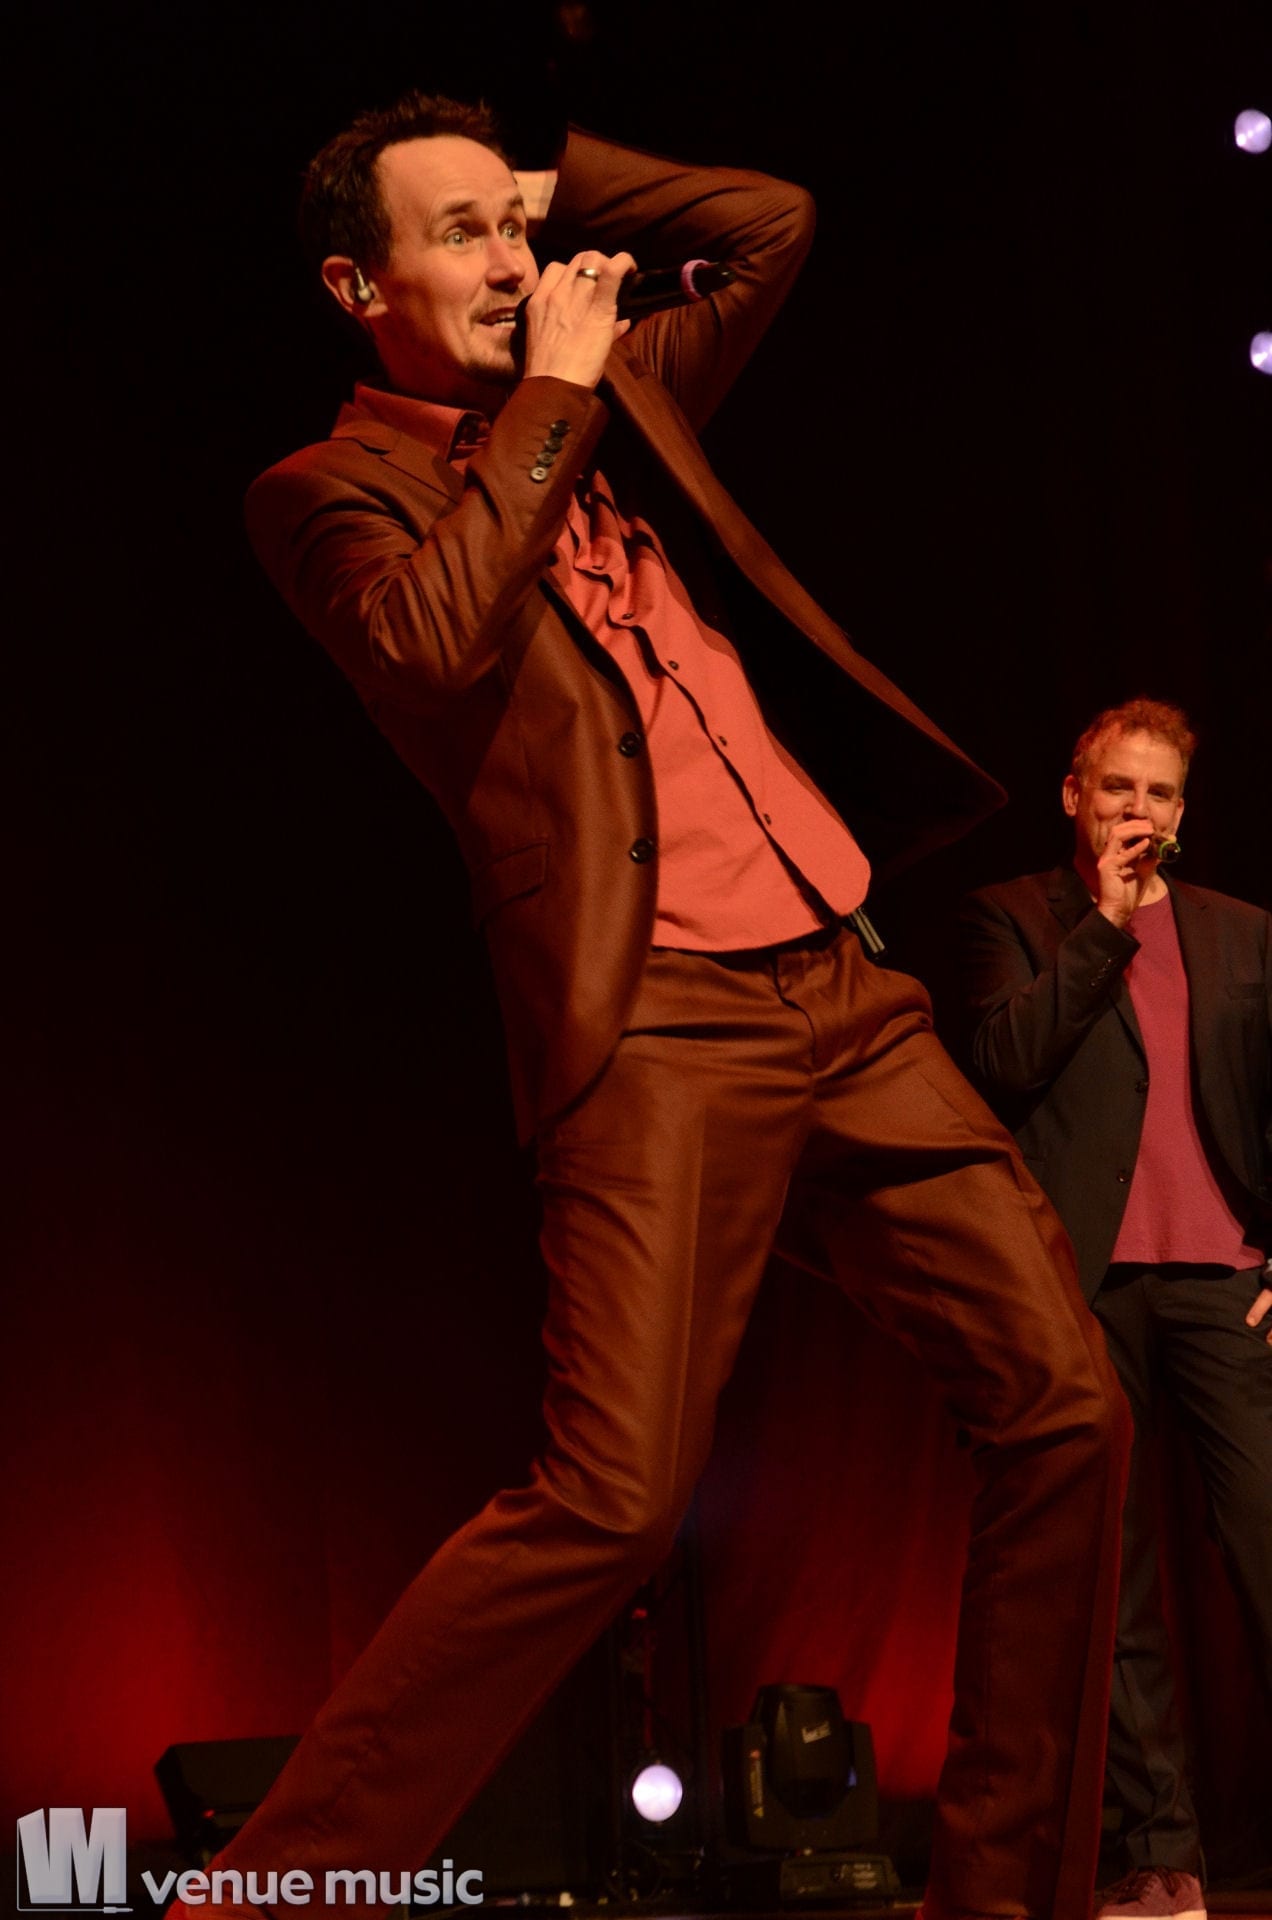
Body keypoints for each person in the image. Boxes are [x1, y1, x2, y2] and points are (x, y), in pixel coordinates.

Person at [196, 89, 1131, 1920]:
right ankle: (278, 1896)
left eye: (513, 225)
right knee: (612, 1499)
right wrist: (549, 390)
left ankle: (1006, 1900)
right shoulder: (325, 493)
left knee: (1066, 1412)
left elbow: (774, 220)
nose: (507, 262)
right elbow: (431, 644)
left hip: (843, 982)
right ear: (354, 287)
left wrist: (553, 190)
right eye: (455, 234)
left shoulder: (621, 390)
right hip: (655, 1023)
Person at [959, 698, 1272, 1920]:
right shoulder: (1014, 918)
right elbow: (1003, 1062)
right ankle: (1162, 1858)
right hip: (1082, 1284)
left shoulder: (1244, 934)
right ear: (1075, 796)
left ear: (1184, 813)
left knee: (1263, 1537)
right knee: (1119, 1576)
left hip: (1224, 1282)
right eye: (1118, 789)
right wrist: (1104, 925)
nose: (1139, 811)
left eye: (1160, 794)